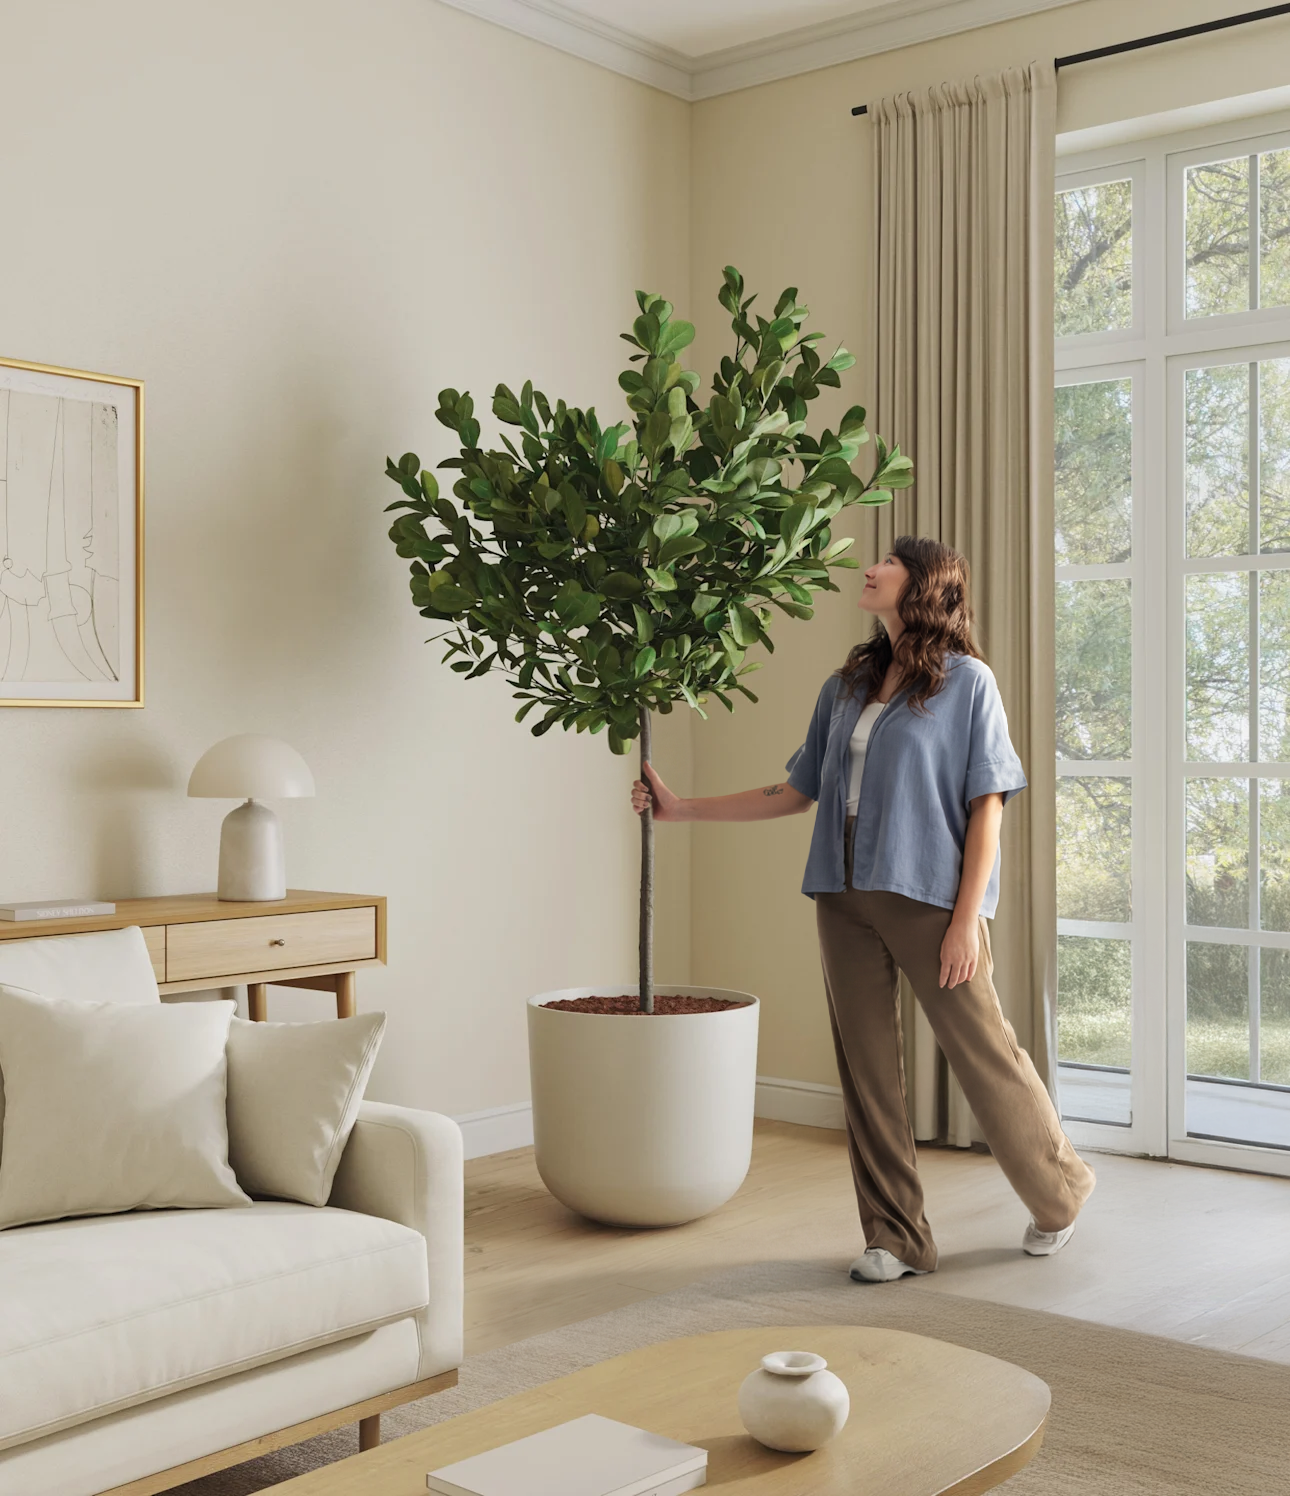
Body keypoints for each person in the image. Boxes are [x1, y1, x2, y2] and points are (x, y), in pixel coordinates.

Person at [631, 535, 1095, 1282]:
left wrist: (967, 920)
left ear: (922, 585)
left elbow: (988, 811)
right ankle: (898, 1236)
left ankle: (1060, 1193)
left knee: (985, 1055)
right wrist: (681, 810)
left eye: (887, 562)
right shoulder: (845, 686)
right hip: (842, 897)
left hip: (929, 898)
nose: (869, 569)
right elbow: (796, 791)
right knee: (867, 1070)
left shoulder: (968, 684)